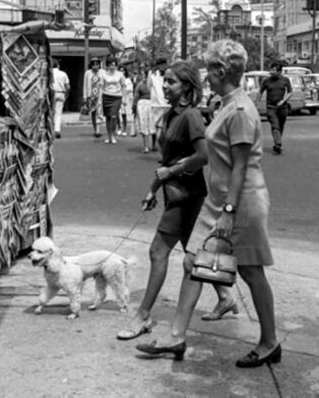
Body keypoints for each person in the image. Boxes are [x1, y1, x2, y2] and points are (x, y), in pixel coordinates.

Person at [136, 40, 280, 368]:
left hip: (240, 203)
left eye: (208, 69)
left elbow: (241, 167)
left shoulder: (240, 110)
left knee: (251, 271)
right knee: (192, 262)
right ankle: (176, 335)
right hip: (219, 201)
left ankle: (270, 342)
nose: (205, 75)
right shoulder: (227, 105)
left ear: (221, 70)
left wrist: (229, 212)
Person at [117, 61, 236, 342]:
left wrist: (169, 173)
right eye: (165, 81)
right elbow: (166, 160)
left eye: (171, 81)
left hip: (186, 195)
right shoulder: (171, 115)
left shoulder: (191, 116)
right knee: (193, 251)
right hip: (176, 193)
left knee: (158, 251)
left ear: (187, 86)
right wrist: (153, 188)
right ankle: (225, 296)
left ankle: (143, 315)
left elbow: (203, 155)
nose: (165, 86)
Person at [258, 62, 292, 155]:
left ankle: (277, 142)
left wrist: (283, 101)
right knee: (275, 125)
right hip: (271, 107)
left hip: (283, 108)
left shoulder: (285, 80)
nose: (271, 71)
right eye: (271, 69)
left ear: (279, 71)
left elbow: (290, 92)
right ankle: (278, 144)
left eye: (274, 70)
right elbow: (260, 92)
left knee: (280, 126)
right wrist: (257, 104)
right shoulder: (266, 81)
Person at [100, 56, 125, 144]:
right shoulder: (104, 75)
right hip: (106, 96)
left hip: (117, 97)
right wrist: (99, 99)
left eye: (113, 65)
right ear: (107, 65)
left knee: (113, 116)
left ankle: (113, 135)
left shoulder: (120, 74)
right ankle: (109, 136)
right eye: (110, 65)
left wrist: (124, 98)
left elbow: (123, 86)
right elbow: (101, 87)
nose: (112, 67)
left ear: (116, 65)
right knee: (108, 117)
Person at [148, 57, 169, 149]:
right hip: (155, 103)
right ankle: (154, 143)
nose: (163, 66)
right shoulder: (152, 74)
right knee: (154, 125)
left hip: (167, 103)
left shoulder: (168, 73)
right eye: (161, 65)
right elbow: (149, 86)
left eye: (165, 64)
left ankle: (162, 145)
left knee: (163, 126)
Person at [133, 68, 153, 154]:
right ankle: (152, 145)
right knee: (151, 125)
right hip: (151, 104)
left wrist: (134, 105)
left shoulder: (140, 84)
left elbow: (136, 96)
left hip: (143, 104)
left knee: (144, 125)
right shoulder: (153, 84)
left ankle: (146, 147)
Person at [83, 59, 104, 138]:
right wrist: (85, 96)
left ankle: (98, 130)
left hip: (100, 95)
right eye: (93, 65)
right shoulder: (87, 73)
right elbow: (85, 85)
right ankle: (95, 129)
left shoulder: (103, 72)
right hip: (90, 96)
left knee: (99, 112)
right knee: (93, 113)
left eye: (97, 64)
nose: (95, 66)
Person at [50, 58, 71, 139]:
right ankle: (57, 130)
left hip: (52, 93)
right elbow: (68, 87)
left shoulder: (49, 73)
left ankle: (50, 130)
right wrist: (66, 95)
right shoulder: (63, 74)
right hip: (61, 93)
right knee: (58, 113)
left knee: (51, 112)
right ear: (58, 65)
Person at [119, 67, 134, 137]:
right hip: (118, 97)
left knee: (123, 114)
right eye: (120, 70)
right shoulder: (117, 79)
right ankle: (119, 128)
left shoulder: (128, 80)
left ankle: (124, 129)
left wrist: (124, 88)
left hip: (125, 98)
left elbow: (130, 89)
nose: (122, 72)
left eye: (123, 70)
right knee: (116, 114)